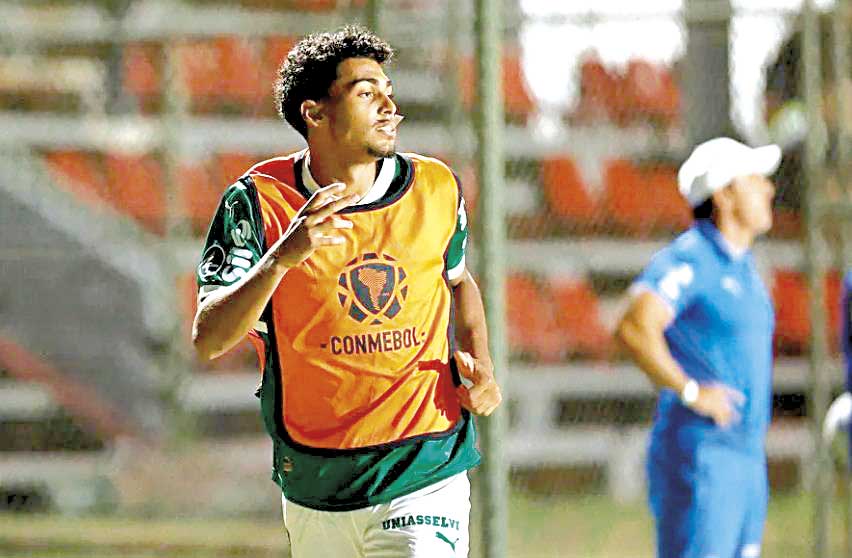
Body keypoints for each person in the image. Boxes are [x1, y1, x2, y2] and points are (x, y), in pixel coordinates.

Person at [191, 25, 501, 558]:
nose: (390, 107)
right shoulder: (256, 202)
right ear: (314, 113)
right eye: (366, 93)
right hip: (315, 484)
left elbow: (458, 280)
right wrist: (281, 258)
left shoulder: (436, 188)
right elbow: (209, 339)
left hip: (424, 468)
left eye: (388, 91)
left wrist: (483, 366)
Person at [615, 137, 780, 558]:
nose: (768, 189)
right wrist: (690, 391)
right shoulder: (694, 257)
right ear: (724, 194)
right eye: (755, 179)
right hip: (706, 452)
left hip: (745, 455)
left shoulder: (741, 266)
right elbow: (634, 326)